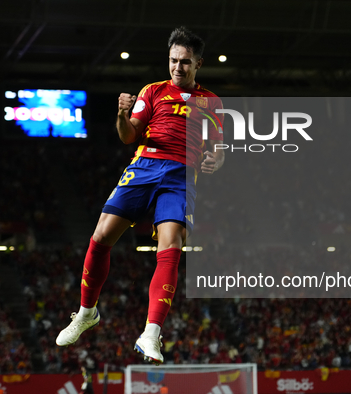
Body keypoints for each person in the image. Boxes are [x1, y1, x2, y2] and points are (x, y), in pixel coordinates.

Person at [56, 26, 225, 366]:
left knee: (172, 246)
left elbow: (218, 146)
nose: (178, 67)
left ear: (198, 64)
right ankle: (86, 313)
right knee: (101, 235)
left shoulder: (213, 102)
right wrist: (121, 115)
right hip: (145, 165)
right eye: (173, 61)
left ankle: (151, 333)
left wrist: (218, 158)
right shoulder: (152, 91)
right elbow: (128, 135)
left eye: (185, 62)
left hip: (181, 175)